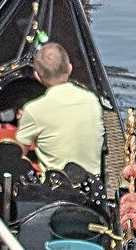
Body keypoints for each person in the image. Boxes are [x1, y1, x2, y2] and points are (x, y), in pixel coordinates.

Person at [14, 42, 104, 178]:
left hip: (55, 190)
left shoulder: (34, 109)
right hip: (92, 187)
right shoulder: (92, 101)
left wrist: (24, 121)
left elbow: (18, 154)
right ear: (69, 69)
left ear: (37, 76)